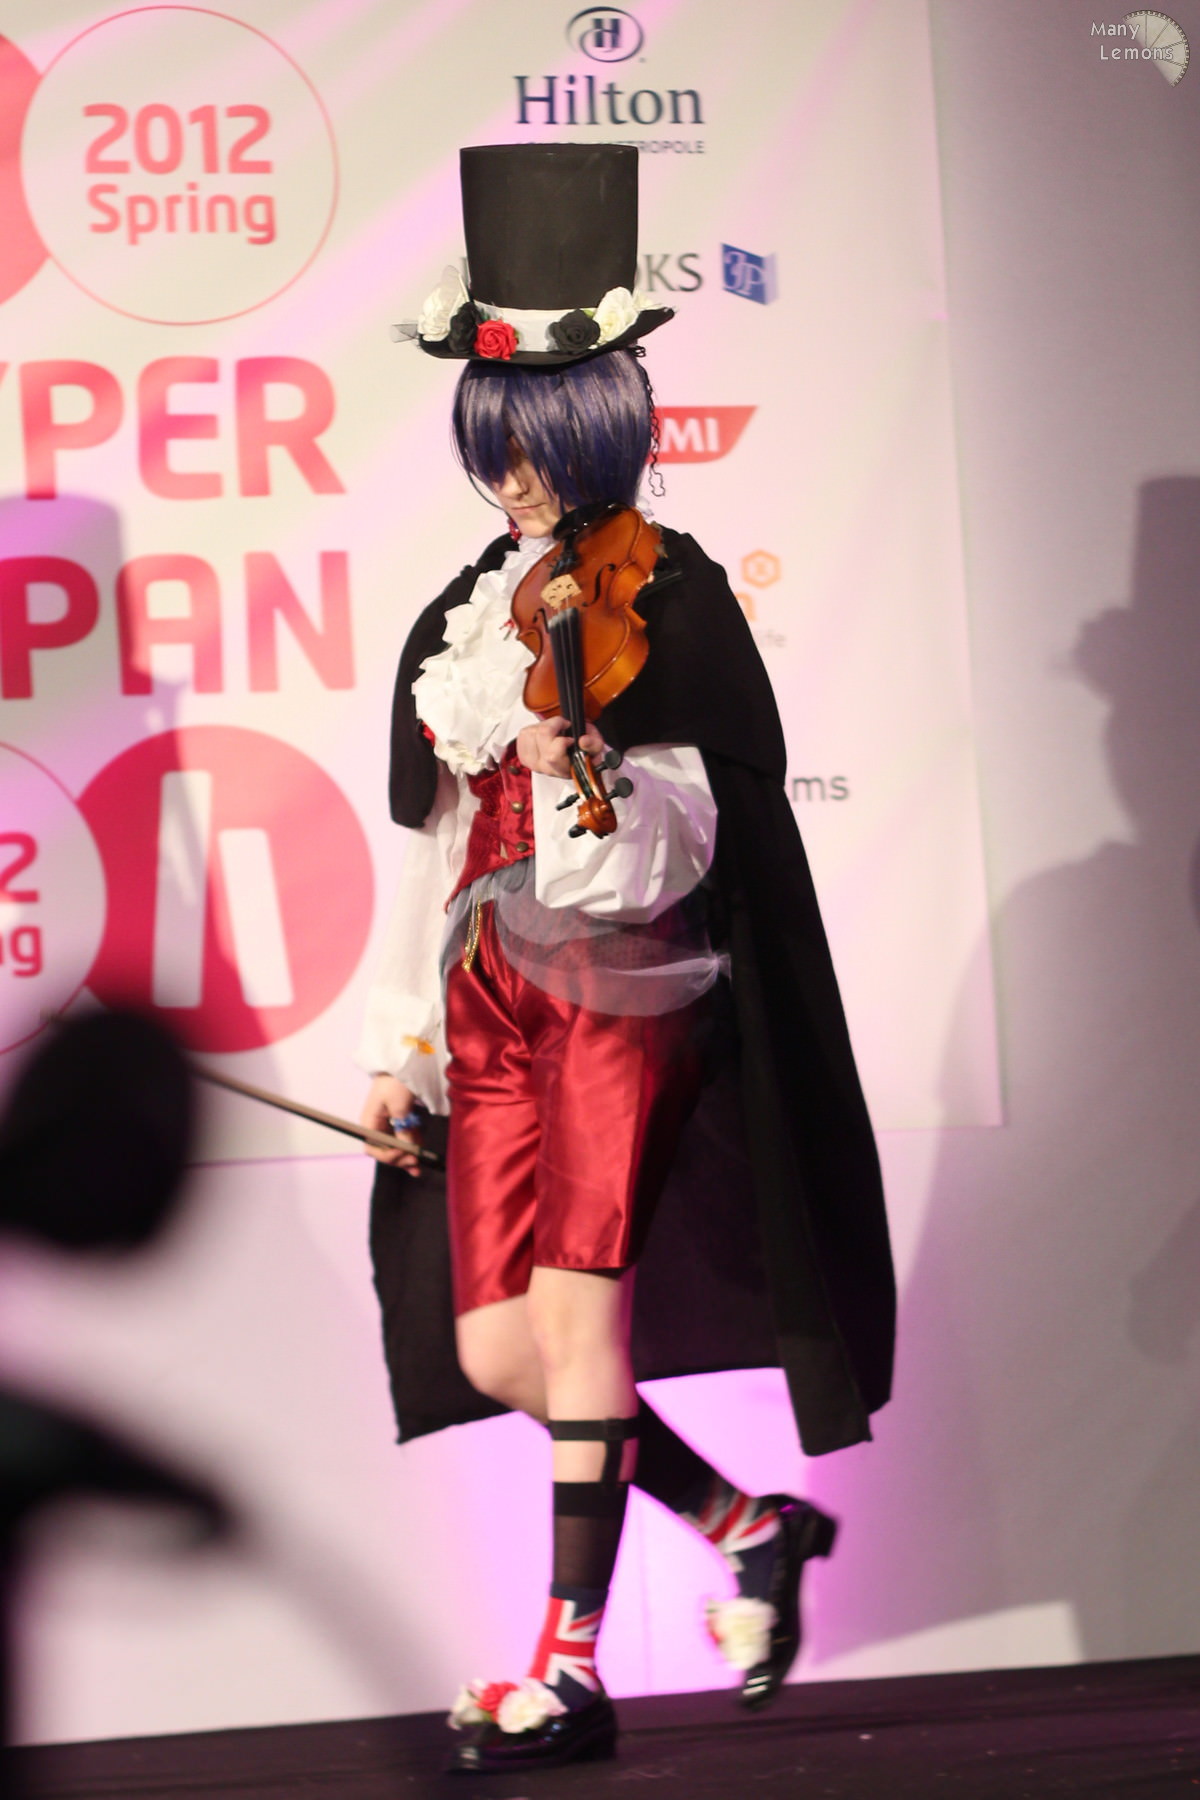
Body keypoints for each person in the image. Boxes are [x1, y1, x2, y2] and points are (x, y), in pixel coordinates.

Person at [358, 144, 895, 1775]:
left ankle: (569, 1671)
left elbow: (700, 827)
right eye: (495, 442)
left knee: (579, 1326)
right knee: (495, 1348)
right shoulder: (473, 605)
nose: (517, 476)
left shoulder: (666, 589)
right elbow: (439, 838)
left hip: (615, 982)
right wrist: (402, 1042)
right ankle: (751, 1528)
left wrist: (592, 766)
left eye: (540, 440)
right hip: (486, 989)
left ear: (603, 422)